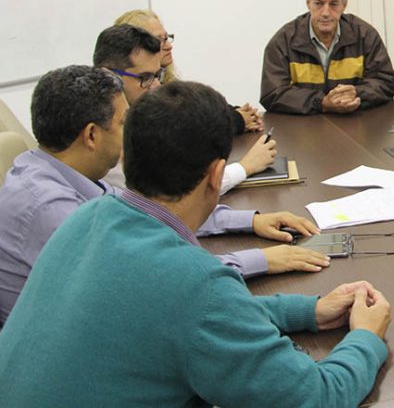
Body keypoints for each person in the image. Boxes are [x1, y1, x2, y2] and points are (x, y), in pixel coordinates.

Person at [0, 80, 391, 406]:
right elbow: (315, 397)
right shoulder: (195, 284)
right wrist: (365, 338)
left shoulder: (89, 215)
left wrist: (310, 311)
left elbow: (185, 316)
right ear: (216, 175)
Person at [0, 66, 329, 323]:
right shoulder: (50, 208)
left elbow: (148, 212)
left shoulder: (60, 173)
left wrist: (249, 221)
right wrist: (261, 260)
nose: (129, 131)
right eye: (123, 122)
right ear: (91, 135)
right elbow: (154, 282)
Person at [94, 24, 273, 194]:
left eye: (158, 75)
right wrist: (245, 167)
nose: (156, 85)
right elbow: (170, 198)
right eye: (146, 77)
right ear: (109, 75)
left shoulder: (141, 117)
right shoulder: (106, 131)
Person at [261, 0, 394, 114]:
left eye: (334, 4)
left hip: (353, 125)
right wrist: (322, 102)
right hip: (303, 129)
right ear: (308, 3)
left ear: (344, 5)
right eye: (318, 4)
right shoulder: (284, 41)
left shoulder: (364, 35)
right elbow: (272, 92)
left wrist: (356, 94)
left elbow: (385, 81)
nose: (326, 12)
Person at [114, 8, 265, 134]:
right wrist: (237, 119)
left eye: (167, 38)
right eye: (159, 40)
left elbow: (199, 110)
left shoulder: (167, 81)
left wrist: (237, 112)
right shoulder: (134, 93)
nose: (169, 46)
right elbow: (188, 131)